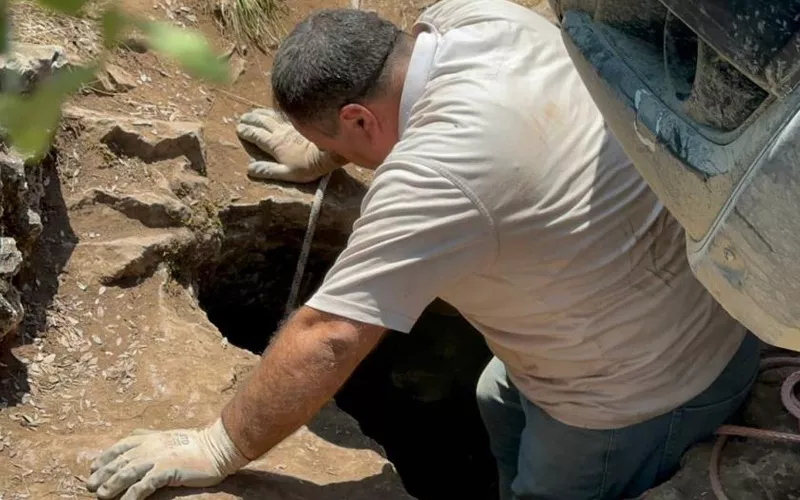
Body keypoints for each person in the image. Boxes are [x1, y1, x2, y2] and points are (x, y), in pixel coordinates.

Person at [85, 1, 760, 499]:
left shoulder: (438, 176)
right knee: (495, 397)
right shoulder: (481, 21)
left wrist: (217, 445)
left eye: (343, 142)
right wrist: (326, 149)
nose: (342, 158)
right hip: (686, 305)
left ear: (360, 119)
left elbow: (330, 335)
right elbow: (403, 118)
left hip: (646, 393)